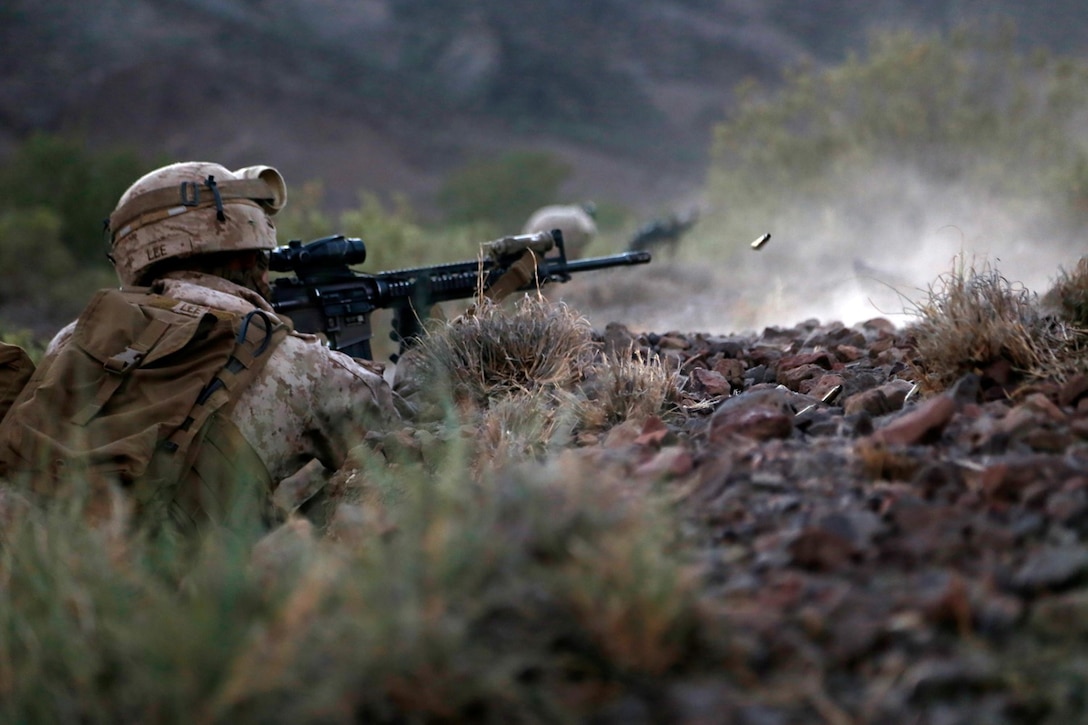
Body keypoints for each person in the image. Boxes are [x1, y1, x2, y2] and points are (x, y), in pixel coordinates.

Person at [0, 161, 402, 529]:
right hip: (199, 579)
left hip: (46, 558)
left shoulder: (75, 338)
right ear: (249, 252)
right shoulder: (298, 361)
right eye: (263, 259)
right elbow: (404, 436)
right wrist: (427, 350)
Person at [521, 201, 598, 260]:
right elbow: (587, 230)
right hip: (543, 227)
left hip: (537, 223)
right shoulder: (580, 216)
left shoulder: (571, 214)